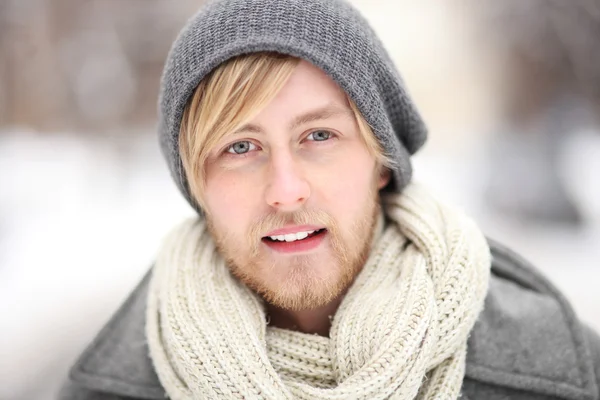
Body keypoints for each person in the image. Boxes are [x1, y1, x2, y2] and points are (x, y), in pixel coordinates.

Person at [59, 0, 600, 399]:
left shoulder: (562, 374)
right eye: (240, 147)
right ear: (197, 185)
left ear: (382, 161)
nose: (286, 189)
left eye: (319, 136)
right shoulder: (108, 388)